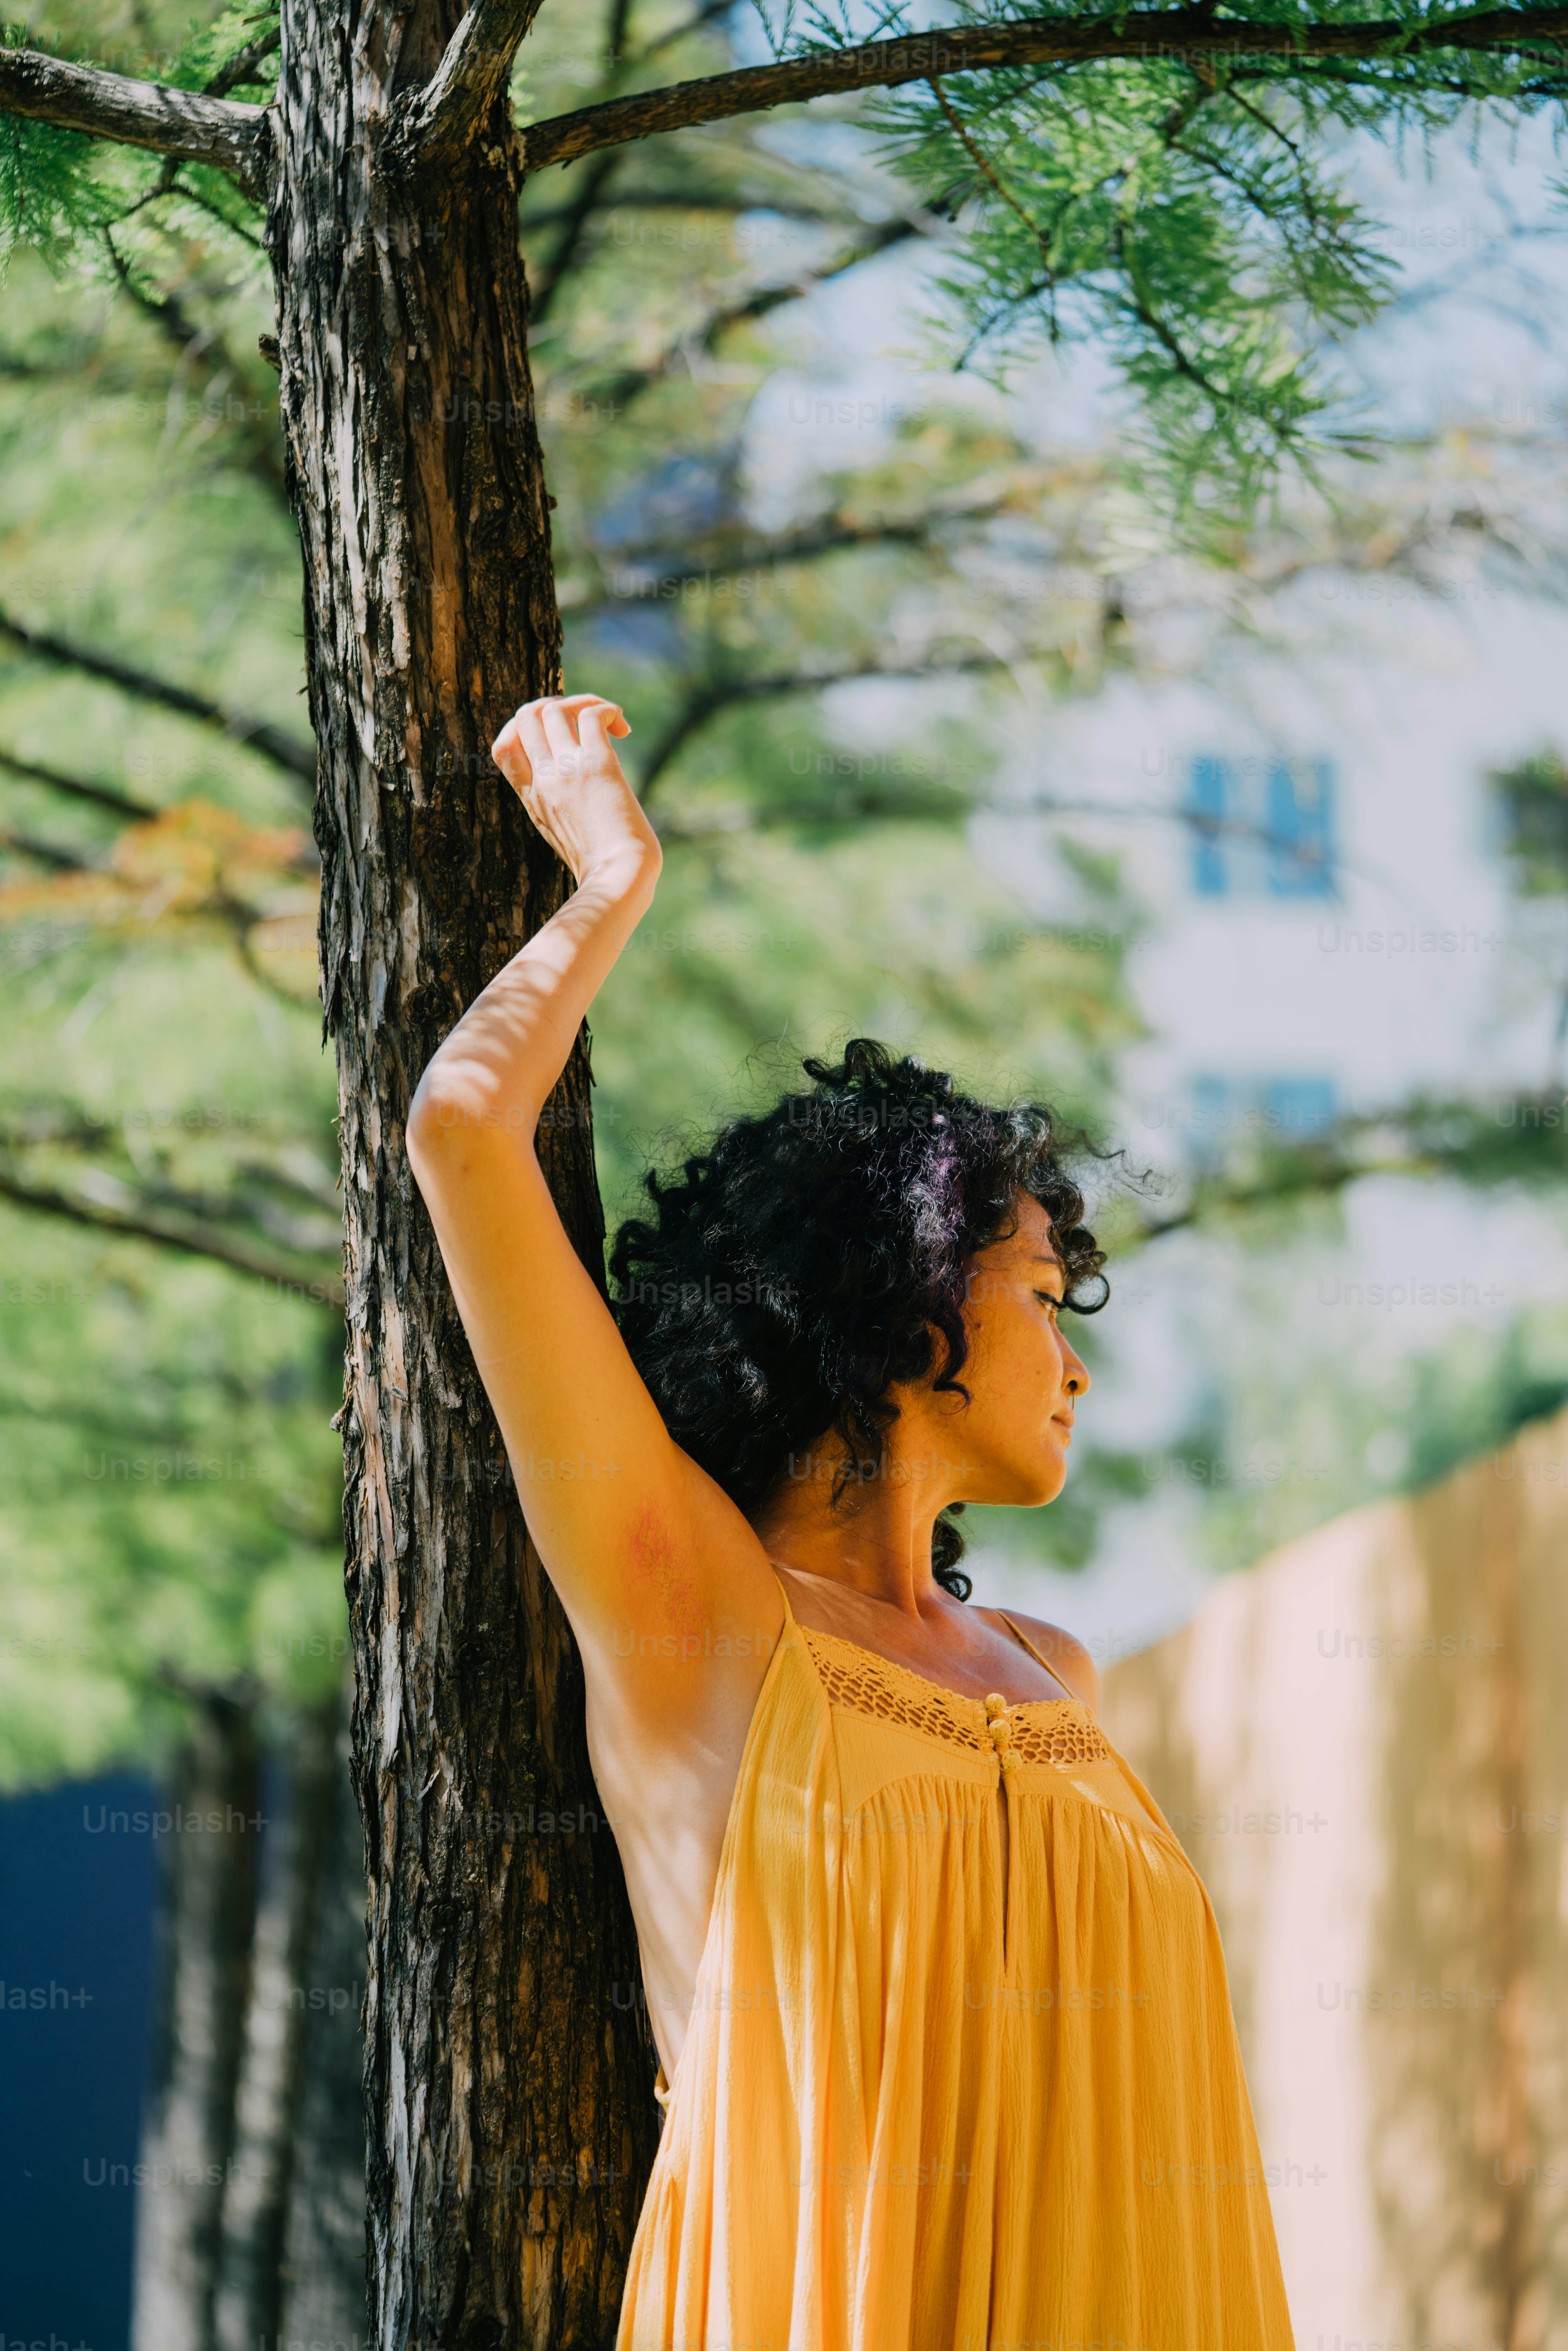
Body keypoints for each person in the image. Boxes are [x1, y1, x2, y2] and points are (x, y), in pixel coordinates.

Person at [406, 692, 1296, 2351]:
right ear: (903, 1295)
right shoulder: (695, 1611)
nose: (1075, 1364)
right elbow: (462, 1134)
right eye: (1045, 1292)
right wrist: (608, 882)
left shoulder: (1055, 1676)